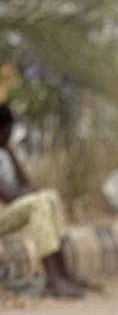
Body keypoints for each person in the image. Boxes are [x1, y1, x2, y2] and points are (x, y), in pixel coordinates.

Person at [0, 103, 87, 298]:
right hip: (4, 212)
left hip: (10, 208)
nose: (10, 134)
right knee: (37, 204)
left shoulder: (5, 154)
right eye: (8, 130)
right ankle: (54, 280)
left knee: (50, 197)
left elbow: (28, 184)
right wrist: (28, 192)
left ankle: (64, 274)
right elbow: (8, 196)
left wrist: (11, 154)